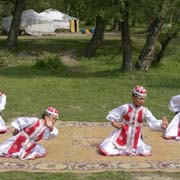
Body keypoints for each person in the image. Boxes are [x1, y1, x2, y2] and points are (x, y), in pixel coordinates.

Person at [99, 86, 168, 156]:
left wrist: (161, 124)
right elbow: (115, 113)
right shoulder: (126, 107)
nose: (142, 101)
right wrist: (113, 122)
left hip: (136, 135)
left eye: (144, 99)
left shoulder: (145, 111)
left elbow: (152, 121)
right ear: (133, 97)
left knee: (145, 152)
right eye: (140, 98)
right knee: (107, 148)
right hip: (123, 133)